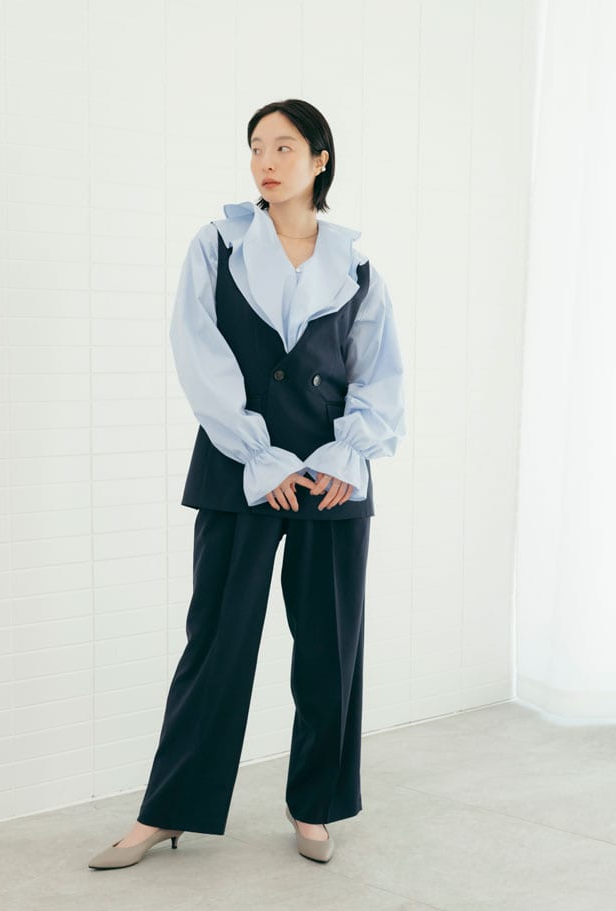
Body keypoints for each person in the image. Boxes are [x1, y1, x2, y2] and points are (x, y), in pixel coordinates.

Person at [89, 98, 405, 870]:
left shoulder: (357, 265)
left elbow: (379, 374)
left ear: (320, 160)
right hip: (240, 472)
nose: (266, 160)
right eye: (257, 146)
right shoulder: (218, 243)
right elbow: (198, 352)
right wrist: (259, 456)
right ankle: (167, 811)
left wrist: (347, 456)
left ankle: (314, 805)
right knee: (217, 645)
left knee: (331, 649)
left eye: (284, 146)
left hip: (332, 480)